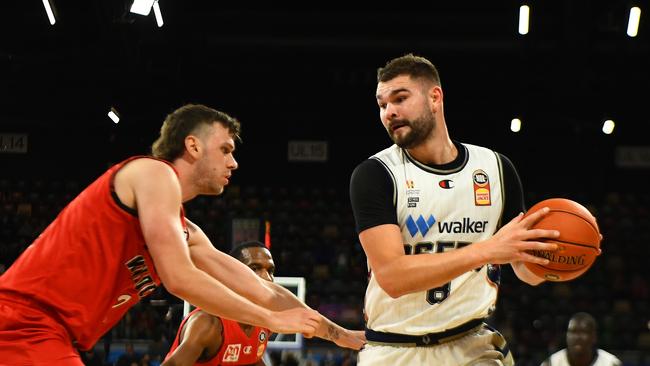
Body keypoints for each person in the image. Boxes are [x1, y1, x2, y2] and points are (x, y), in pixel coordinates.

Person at [0, 104, 364, 365]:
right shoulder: (152, 174)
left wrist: (340, 335)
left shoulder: (184, 230)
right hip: (23, 323)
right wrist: (270, 320)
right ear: (192, 146)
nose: (233, 163)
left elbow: (263, 290)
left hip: (54, 334)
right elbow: (180, 279)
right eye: (225, 150)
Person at [348, 53, 561, 365]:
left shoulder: (496, 169)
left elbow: (525, 271)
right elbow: (393, 277)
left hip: (472, 345)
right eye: (382, 104)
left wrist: (557, 256)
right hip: (394, 350)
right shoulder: (375, 174)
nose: (389, 112)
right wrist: (487, 250)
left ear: (435, 97)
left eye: (400, 98)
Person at [163, 240, 277, 366]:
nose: (267, 278)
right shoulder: (207, 324)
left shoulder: (265, 324)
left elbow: (251, 358)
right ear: (232, 275)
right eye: (255, 268)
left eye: (270, 271)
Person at [541, 312, 622, 366]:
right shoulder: (551, 363)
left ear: (594, 337)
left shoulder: (610, 363)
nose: (577, 337)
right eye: (572, 332)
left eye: (583, 332)